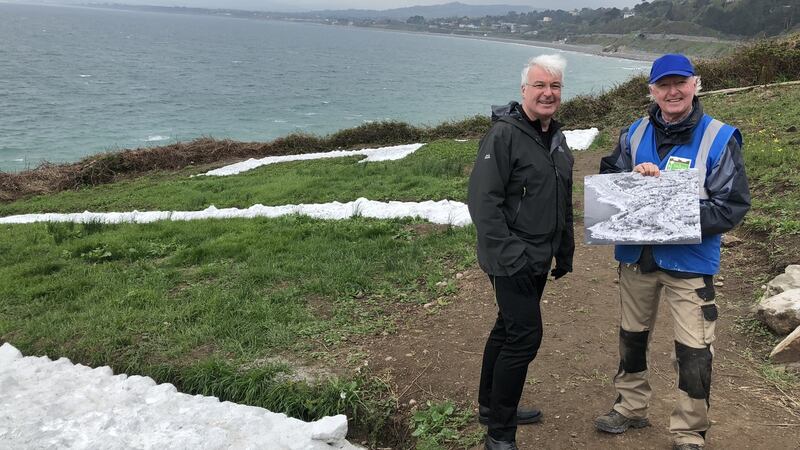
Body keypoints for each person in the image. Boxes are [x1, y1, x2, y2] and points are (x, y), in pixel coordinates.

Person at [594, 54, 751, 450]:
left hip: (691, 264)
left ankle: (689, 431)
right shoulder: (634, 132)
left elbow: (732, 205)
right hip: (637, 259)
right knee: (632, 337)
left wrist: (670, 206)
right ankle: (630, 407)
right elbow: (609, 184)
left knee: (695, 350)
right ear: (652, 91)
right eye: (663, 85)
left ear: (695, 84)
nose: (672, 91)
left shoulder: (719, 137)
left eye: (680, 82)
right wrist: (633, 181)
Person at [467, 54, 574, 450]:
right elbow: (483, 202)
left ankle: (490, 408)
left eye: (555, 86)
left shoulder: (555, 138)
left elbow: (562, 199)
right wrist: (512, 256)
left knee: (506, 329)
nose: (548, 93)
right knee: (524, 339)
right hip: (511, 258)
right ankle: (499, 436)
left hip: (538, 257)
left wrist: (564, 251)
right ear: (524, 90)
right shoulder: (504, 135)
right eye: (540, 86)